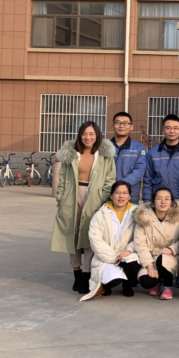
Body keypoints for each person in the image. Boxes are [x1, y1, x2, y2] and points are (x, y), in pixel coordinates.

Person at [52, 121, 116, 295]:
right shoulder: (72, 154)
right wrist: (61, 198)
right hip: (72, 197)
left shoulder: (105, 156)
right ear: (80, 135)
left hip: (94, 198)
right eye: (84, 134)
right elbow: (62, 178)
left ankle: (87, 274)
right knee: (72, 235)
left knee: (90, 235)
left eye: (91, 134)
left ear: (97, 136)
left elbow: (110, 180)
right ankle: (77, 273)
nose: (88, 137)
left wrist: (102, 198)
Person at [80, 181, 139, 300]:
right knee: (113, 281)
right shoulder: (100, 215)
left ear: (129, 196)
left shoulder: (137, 213)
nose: (121, 196)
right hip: (106, 257)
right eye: (117, 193)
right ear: (111, 196)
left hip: (127, 254)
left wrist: (129, 249)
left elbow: (141, 237)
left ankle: (127, 283)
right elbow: (96, 240)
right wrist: (113, 258)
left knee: (133, 263)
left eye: (124, 193)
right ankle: (106, 284)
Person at [134, 187, 179, 301]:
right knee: (146, 281)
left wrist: (172, 249)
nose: (163, 202)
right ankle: (157, 282)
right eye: (159, 198)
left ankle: (168, 286)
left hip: (172, 256)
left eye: (167, 199)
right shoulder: (143, 218)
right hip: (151, 257)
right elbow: (140, 244)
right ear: (153, 201)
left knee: (162, 259)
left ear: (171, 202)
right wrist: (150, 266)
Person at [143, 114, 179, 209]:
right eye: (168, 128)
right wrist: (147, 202)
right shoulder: (153, 152)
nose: (172, 131)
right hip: (160, 202)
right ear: (162, 129)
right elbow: (148, 179)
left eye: (175, 128)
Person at [110, 111, 146, 204]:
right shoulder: (105, 146)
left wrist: (122, 186)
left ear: (131, 127)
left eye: (125, 123)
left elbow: (139, 170)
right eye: (118, 123)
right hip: (108, 194)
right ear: (112, 126)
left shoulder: (139, 148)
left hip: (130, 196)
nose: (121, 126)